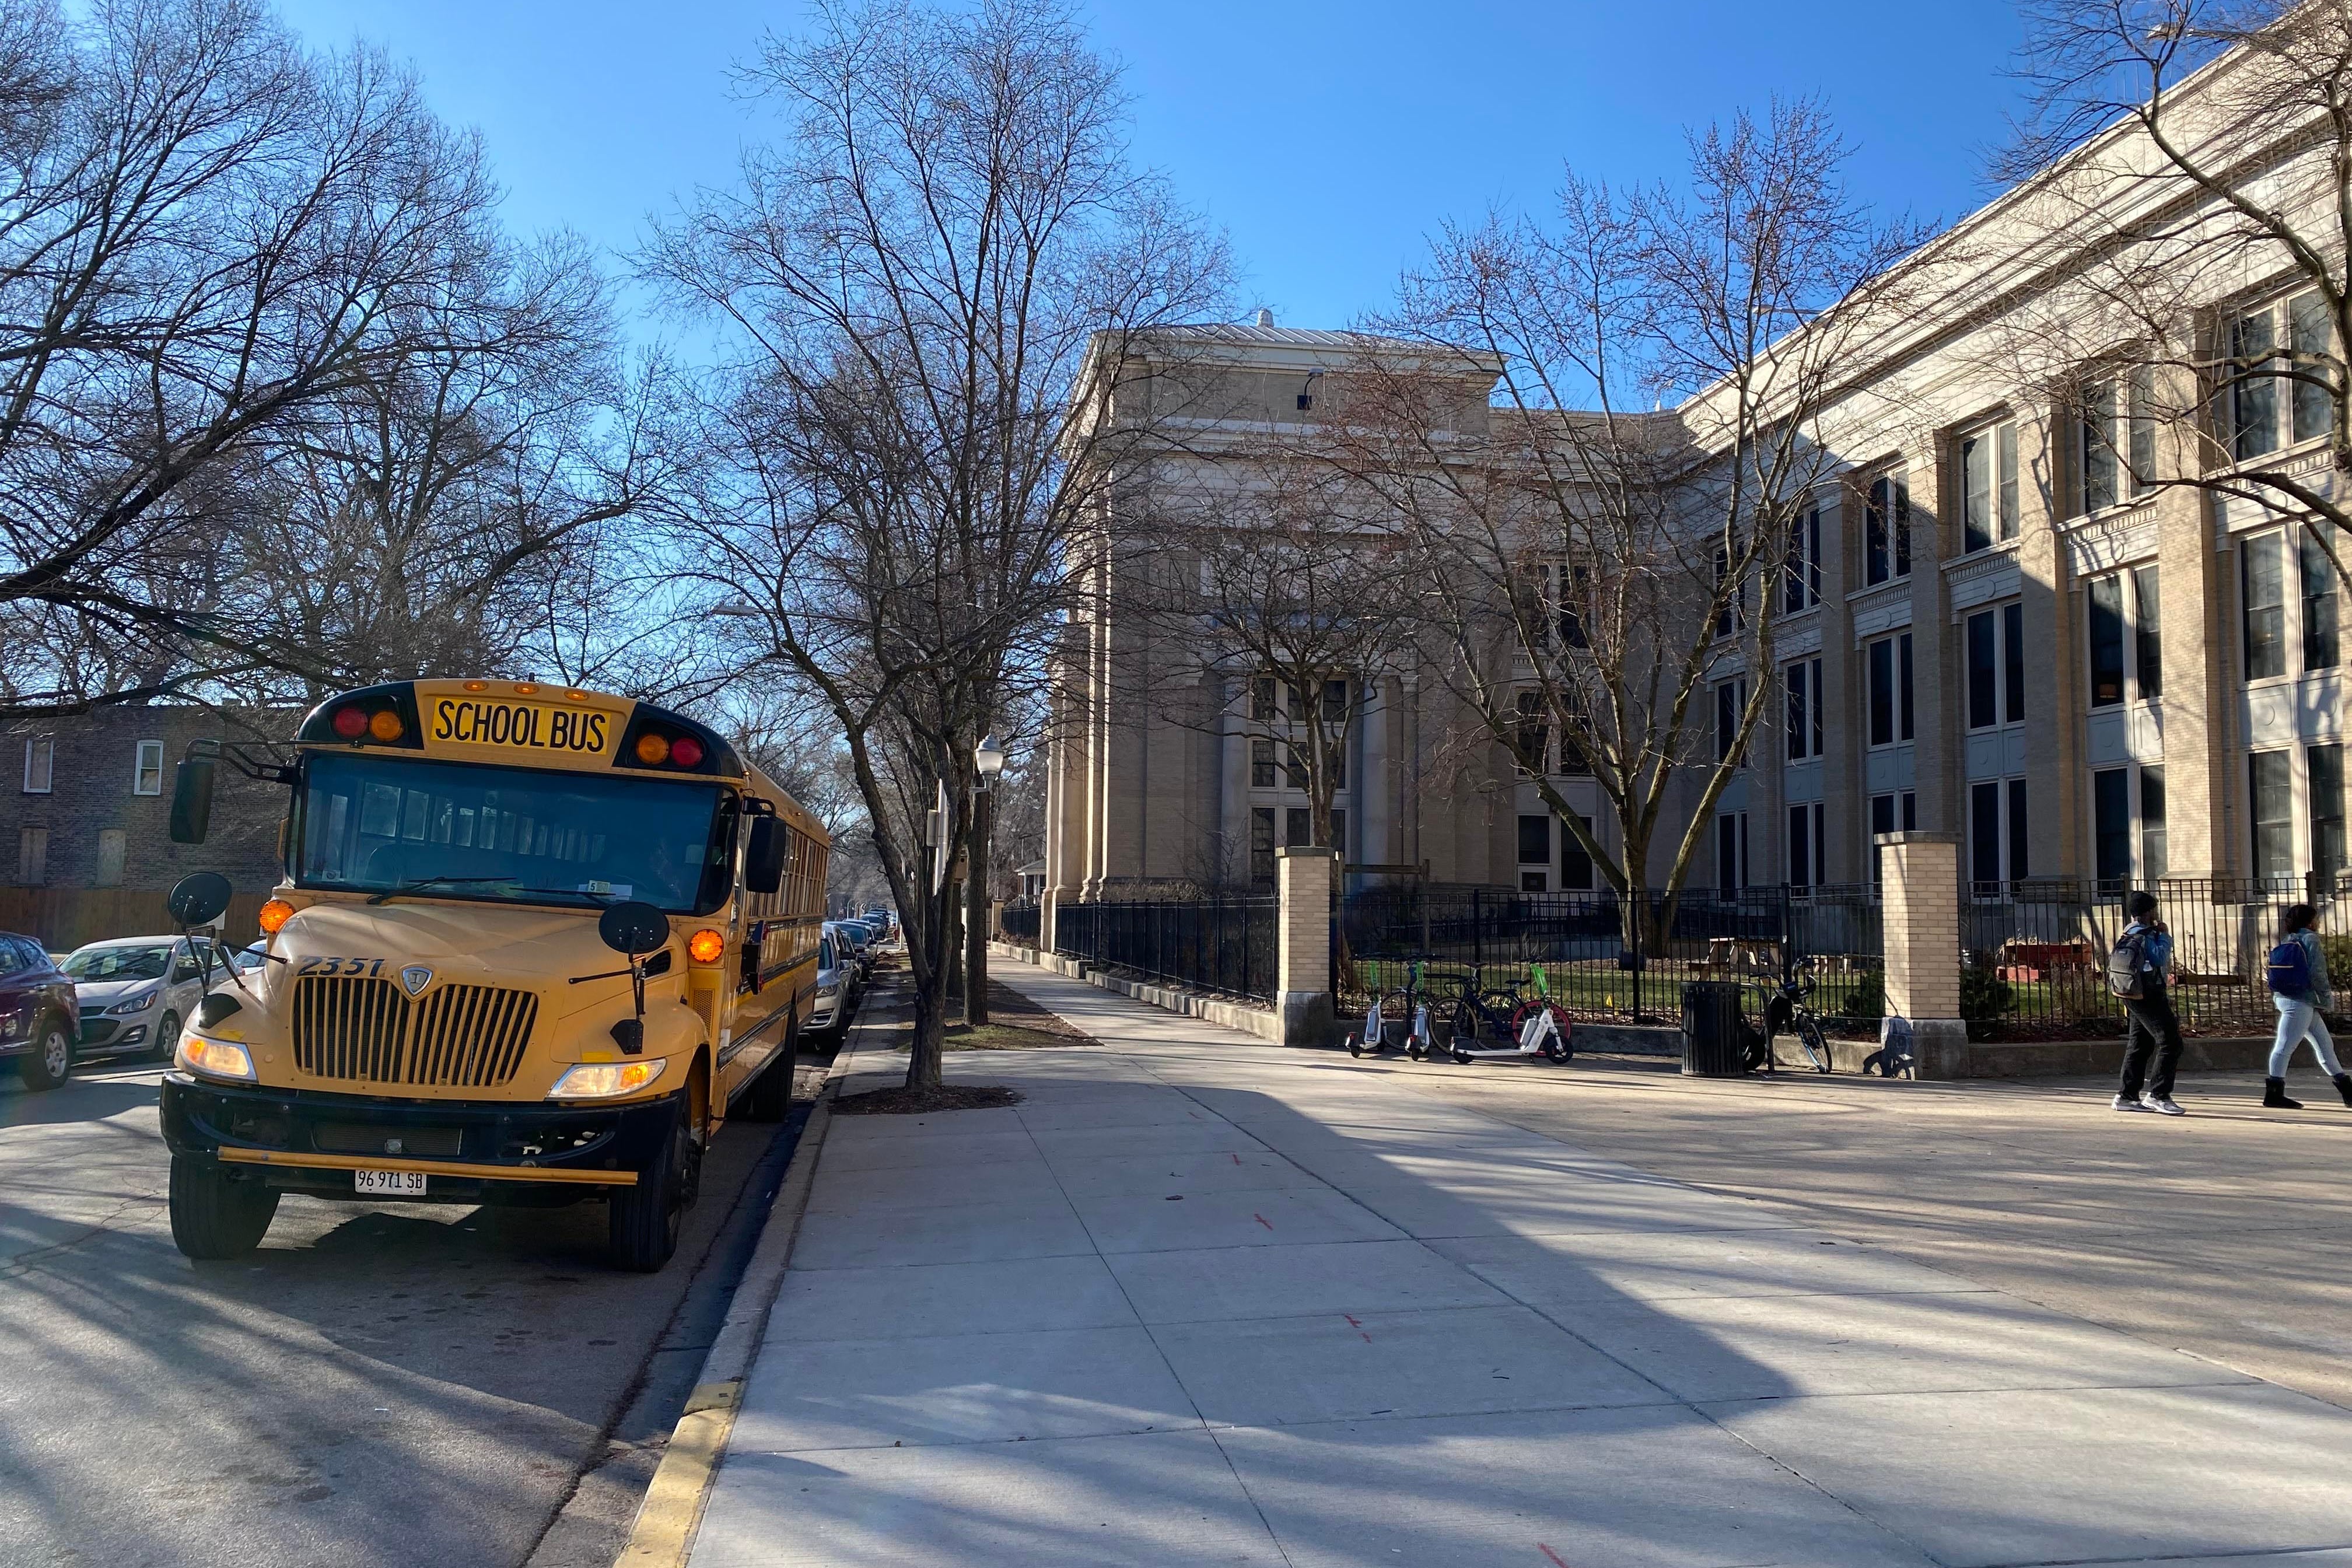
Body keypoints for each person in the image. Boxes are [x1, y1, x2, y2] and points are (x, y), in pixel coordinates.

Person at [2263, 902, 2351, 1110]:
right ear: (2311, 922)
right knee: (2285, 1046)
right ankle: (2274, 1094)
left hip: (2289, 998)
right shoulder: (2311, 939)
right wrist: (2326, 998)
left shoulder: (2289, 939)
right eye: (2317, 919)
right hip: (2301, 1001)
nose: (2318, 922)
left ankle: (2348, 1091)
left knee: (2325, 1045)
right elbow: (2317, 972)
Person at [2113, 890, 2186, 1116]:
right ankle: (2159, 1095)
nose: (2157, 912)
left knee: (2141, 1043)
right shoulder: (2146, 934)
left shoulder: (2128, 931)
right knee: (2170, 1041)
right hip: (2149, 993)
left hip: (2130, 991)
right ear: (2148, 912)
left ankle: (2127, 1096)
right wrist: (2165, 936)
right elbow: (2158, 958)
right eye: (2154, 908)